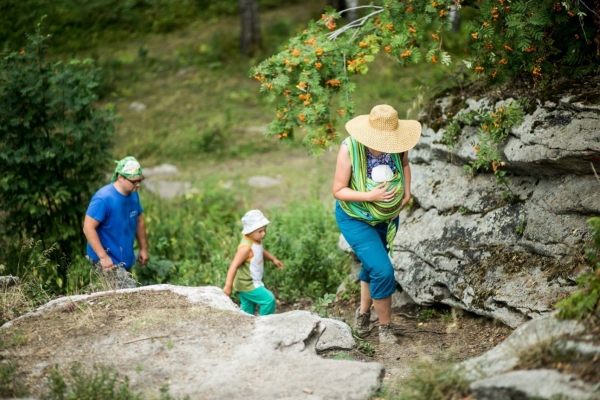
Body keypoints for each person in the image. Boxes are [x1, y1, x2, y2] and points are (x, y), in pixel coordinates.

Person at [332, 104, 421, 344]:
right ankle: (385, 328)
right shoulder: (349, 148)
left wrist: (407, 192)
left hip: (386, 218)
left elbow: (404, 165)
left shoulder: (398, 144)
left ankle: (362, 314)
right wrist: (370, 197)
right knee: (383, 270)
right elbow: (338, 190)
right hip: (355, 218)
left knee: (373, 266)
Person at [83, 156, 149, 289]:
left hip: (125, 258)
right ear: (120, 177)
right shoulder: (103, 198)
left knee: (120, 299)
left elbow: (139, 220)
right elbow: (88, 227)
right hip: (108, 260)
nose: (138, 184)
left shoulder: (133, 193)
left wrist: (143, 248)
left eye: (140, 180)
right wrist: (103, 256)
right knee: (130, 297)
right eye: (134, 181)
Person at [223, 210, 283, 316]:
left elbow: (260, 250)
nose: (263, 233)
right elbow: (234, 266)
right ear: (249, 231)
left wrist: (273, 259)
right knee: (268, 300)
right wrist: (228, 286)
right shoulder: (245, 248)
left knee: (247, 310)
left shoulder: (255, 241)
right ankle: (265, 323)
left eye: (265, 230)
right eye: (260, 231)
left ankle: (243, 326)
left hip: (251, 282)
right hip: (247, 284)